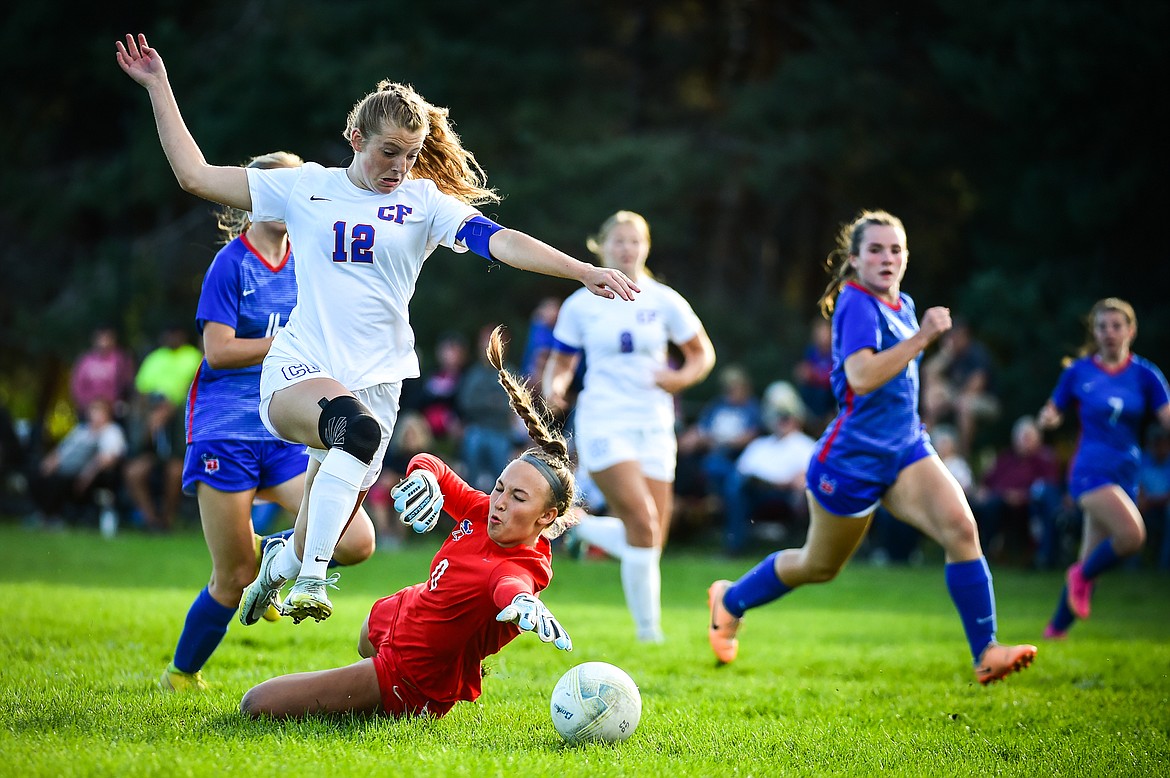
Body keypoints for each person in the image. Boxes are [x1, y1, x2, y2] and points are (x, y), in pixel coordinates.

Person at [116, 33, 637, 625]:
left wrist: (582, 270)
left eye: (412, 154)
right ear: (356, 139)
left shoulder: (424, 202)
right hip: (300, 368)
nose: (402, 167)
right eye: (389, 152)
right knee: (354, 435)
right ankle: (310, 581)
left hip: (380, 378)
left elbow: (501, 240)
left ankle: (278, 570)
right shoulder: (306, 186)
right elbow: (195, 176)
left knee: (326, 509)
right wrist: (159, 86)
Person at [706, 210, 1036, 684]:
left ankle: (986, 651)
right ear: (855, 259)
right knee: (818, 566)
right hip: (850, 461)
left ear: (906, 257)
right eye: (875, 250)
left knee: (963, 529)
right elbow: (861, 377)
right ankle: (731, 600)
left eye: (895, 249)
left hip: (905, 449)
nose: (886, 258)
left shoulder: (902, 303)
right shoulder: (856, 304)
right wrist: (924, 338)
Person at [240, 325, 575, 719]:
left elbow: (510, 585)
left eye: (517, 498)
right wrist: (427, 476)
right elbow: (432, 462)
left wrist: (521, 601)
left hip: (412, 673)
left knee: (256, 705)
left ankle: (404, 692)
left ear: (546, 517)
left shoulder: (523, 569)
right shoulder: (484, 511)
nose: (499, 502)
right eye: (500, 488)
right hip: (405, 609)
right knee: (366, 633)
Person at [160, 152, 378, 693]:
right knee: (233, 577)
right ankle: (182, 675)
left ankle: (280, 553)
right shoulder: (231, 265)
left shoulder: (312, 261)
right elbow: (216, 352)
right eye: (277, 187)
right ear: (256, 196)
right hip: (226, 433)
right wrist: (284, 344)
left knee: (356, 541)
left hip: (285, 431)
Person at [543, 210, 716, 643]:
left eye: (634, 241)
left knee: (653, 534)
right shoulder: (580, 303)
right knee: (642, 521)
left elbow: (701, 355)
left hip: (655, 423)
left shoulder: (664, 300)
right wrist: (555, 387)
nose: (626, 248)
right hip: (604, 418)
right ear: (600, 246)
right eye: (617, 241)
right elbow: (561, 364)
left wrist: (679, 378)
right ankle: (648, 634)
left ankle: (583, 528)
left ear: (646, 247)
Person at [1038, 298, 1170, 639]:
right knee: (1132, 536)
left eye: (1116, 326)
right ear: (1094, 332)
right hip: (1089, 471)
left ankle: (1056, 629)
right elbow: (1052, 411)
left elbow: (1166, 419)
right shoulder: (1078, 372)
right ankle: (1078, 576)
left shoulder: (1147, 375)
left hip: (1126, 472)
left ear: (1131, 330)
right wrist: (1048, 418)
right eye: (1102, 327)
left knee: (1093, 556)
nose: (1109, 333)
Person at [123, 323, 203, 532]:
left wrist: (170, 409)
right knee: (134, 473)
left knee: (175, 472)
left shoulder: (192, 356)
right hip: (152, 418)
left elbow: (194, 388)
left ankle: (168, 520)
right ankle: (152, 521)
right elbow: (140, 391)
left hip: (179, 422)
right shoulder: (154, 358)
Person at [720, 381, 815, 556]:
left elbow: (808, 479)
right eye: (777, 416)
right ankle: (734, 547)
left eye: (786, 416)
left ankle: (734, 545)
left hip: (785, 496)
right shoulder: (760, 445)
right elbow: (740, 473)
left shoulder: (806, 446)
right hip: (754, 492)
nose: (781, 421)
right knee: (734, 485)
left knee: (736, 488)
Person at [971, 415, 1062, 570]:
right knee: (977, 504)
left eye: (1028, 437)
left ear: (1038, 439)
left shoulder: (1044, 460)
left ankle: (989, 551)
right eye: (1021, 437)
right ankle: (977, 553)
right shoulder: (1006, 458)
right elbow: (986, 482)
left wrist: (1021, 496)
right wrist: (983, 492)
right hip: (999, 500)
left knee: (994, 506)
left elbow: (1050, 490)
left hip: (1028, 507)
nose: (1023, 441)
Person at [25, 399, 127, 529]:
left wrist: (87, 475)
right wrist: (49, 464)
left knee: (57, 481)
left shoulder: (111, 432)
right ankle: (43, 514)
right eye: (92, 411)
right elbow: (62, 450)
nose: (94, 415)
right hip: (64, 468)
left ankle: (52, 516)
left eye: (98, 411)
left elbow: (108, 458)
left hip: (82, 474)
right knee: (36, 474)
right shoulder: (81, 431)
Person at [677, 365, 763, 502]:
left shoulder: (752, 408)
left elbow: (750, 437)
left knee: (713, 466)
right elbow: (700, 429)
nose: (729, 391)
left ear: (744, 387)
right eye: (727, 387)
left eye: (733, 387)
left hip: (735, 458)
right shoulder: (717, 405)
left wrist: (716, 440)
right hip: (708, 453)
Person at [457, 323, 524, 492]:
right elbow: (466, 402)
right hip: (477, 429)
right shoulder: (474, 373)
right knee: (471, 476)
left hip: (502, 432)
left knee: (502, 477)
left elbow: (513, 406)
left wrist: (486, 402)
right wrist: (493, 401)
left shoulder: (511, 372)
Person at [921, 319, 1000, 457]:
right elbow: (928, 373)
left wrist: (950, 399)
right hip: (958, 397)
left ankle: (964, 456)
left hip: (986, 401)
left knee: (965, 405)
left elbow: (976, 386)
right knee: (934, 394)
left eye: (954, 336)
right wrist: (945, 354)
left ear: (964, 335)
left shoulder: (977, 353)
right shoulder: (952, 355)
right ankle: (925, 448)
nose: (951, 340)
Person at [69, 325, 136, 422]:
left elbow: (127, 383)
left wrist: (116, 403)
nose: (104, 342)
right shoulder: (85, 360)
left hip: (114, 412)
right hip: (89, 412)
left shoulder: (121, 359)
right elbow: (77, 386)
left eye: (107, 337)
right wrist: (86, 406)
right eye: (101, 337)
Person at [793, 317, 835, 432]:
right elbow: (803, 371)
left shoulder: (836, 351)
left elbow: (835, 374)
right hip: (812, 394)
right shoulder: (811, 351)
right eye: (818, 332)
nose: (821, 336)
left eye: (824, 332)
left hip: (829, 398)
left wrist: (815, 375)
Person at [1137, 427, 1170, 571]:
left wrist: (1152, 501)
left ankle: (1163, 566)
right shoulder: (1142, 459)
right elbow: (1137, 485)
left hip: (1164, 506)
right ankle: (1132, 568)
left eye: (1161, 443)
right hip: (1146, 505)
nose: (1158, 447)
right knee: (1132, 511)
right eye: (1155, 443)